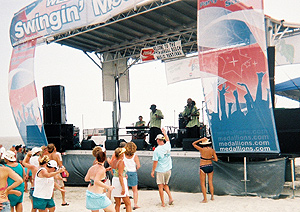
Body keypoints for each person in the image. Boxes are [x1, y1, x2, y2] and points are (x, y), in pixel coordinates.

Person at [151, 128, 173, 207]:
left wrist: (153, 171)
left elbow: (155, 162)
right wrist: (164, 133)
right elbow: (168, 140)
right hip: (168, 169)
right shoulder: (168, 145)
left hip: (161, 170)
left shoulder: (157, 150)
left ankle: (163, 203)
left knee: (160, 186)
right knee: (165, 185)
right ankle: (170, 198)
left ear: (158, 140)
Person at [192, 137, 218, 203]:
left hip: (203, 166)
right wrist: (210, 158)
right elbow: (216, 159)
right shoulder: (212, 150)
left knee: (203, 183)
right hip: (210, 165)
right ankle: (212, 196)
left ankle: (205, 199)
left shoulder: (201, 149)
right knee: (210, 182)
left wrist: (200, 139)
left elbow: (193, 144)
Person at [110, 148, 132, 212]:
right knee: (128, 203)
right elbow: (120, 174)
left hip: (115, 180)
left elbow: (114, 172)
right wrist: (123, 187)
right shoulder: (121, 162)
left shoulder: (114, 161)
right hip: (120, 181)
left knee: (117, 203)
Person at [124, 142, 141, 210]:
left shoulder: (124, 155)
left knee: (126, 189)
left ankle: (127, 204)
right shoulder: (135, 156)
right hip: (133, 172)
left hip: (125, 173)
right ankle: (135, 204)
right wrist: (135, 169)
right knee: (135, 190)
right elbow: (138, 165)